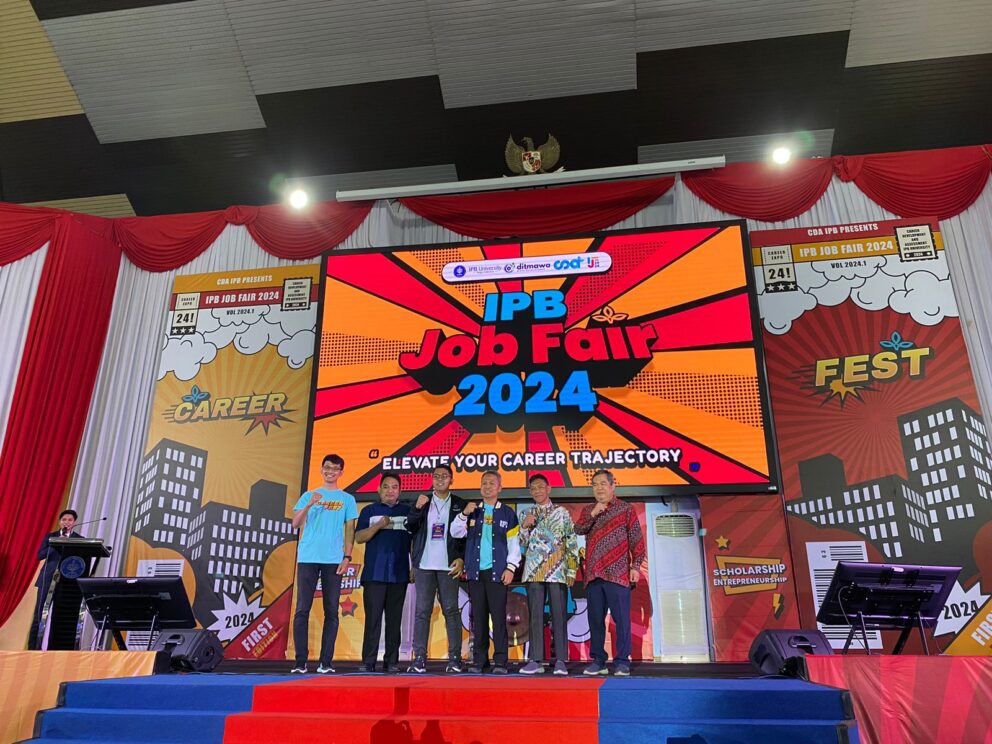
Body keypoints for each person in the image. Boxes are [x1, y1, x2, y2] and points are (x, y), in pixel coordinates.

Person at [291, 454, 357, 674]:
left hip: (333, 559)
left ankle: (325, 662)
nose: (330, 472)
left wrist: (347, 557)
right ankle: (300, 661)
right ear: (321, 469)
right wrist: (309, 504)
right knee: (302, 609)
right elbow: (295, 523)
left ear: (341, 472)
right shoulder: (308, 495)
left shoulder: (347, 499)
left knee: (331, 610)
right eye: (327, 468)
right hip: (308, 557)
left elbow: (350, 529)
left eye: (335, 469)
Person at [574, 470, 645, 677]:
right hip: (594, 574)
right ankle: (598, 661)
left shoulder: (625, 509)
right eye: (595, 484)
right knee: (595, 620)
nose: (599, 488)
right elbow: (578, 529)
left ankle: (622, 661)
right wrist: (593, 514)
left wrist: (635, 567)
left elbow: (637, 540)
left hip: (618, 574)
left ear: (613, 486)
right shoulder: (589, 510)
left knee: (621, 620)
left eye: (603, 484)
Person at [451, 471, 520, 674]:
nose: (487, 486)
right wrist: (463, 514)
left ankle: (500, 661)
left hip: (497, 573)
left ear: (499, 488)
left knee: (498, 619)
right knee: (478, 618)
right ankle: (480, 661)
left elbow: (514, 544)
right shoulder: (472, 511)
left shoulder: (507, 513)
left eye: (492, 483)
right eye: (484, 483)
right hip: (475, 574)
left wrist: (510, 568)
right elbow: (455, 532)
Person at [405, 464, 467, 673]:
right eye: (436, 476)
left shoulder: (459, 503)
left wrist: (461, 558)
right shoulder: (423, 501)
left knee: (451, 610)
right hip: (424, 565)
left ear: (451, 480)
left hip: (448, 565)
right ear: (432, 479)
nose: (440, 479)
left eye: (444, 476)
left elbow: (466, 536)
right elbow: (410, 527)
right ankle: (419, 658)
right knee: (422, 611)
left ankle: (455, 659)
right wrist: (416, 509)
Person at [518, 474, 578, 676]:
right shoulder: (525, 513)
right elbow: (521, 546)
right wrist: (524, 528)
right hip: (533, 572)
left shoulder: (562, 512)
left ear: (549, 488)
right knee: (535, 616)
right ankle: (536, 660)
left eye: (540, 487)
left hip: (557, 571)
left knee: (559, 615)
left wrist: (571, 569)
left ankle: (560, 660)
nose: (537, 491)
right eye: (533, 488)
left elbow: (571, 541)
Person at [355, 472, 411, 673]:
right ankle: (368, 662)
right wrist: (378, 525)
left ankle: (392, 662)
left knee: (394, 621)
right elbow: (359, 537)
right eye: (386, 487)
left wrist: (413, 567)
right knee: (373, 620)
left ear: (400, 491)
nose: (390, 491)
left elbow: (414, 541)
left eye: (394, 487)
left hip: (399, 574)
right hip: (374, 574)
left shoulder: (408, 511)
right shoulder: (369, 511)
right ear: (379, 489)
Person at [28, 509, 82, 650]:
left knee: (59, 617)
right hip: (47, 579)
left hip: (66, 583)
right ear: (59, 522)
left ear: (74, 523)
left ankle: (54, 650)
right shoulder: (50, 537)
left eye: (70, 520)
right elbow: (40, 555)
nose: (66, 522)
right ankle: (32, 649)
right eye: (64, 519)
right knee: (39, 615)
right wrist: (56, 543)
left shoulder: (79, 539)